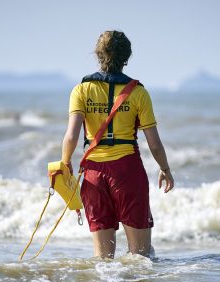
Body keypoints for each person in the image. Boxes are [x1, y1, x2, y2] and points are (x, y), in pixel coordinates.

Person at [61, 30, 174, 259]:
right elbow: (154, 143)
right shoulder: (139, 93)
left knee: (103, 259)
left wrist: (65, 164)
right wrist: (165, 169)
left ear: (98, 55)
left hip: (93, 175)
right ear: (127, 57)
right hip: (127, 172)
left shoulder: (81, 90)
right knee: (140, 257)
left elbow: (72, 136)